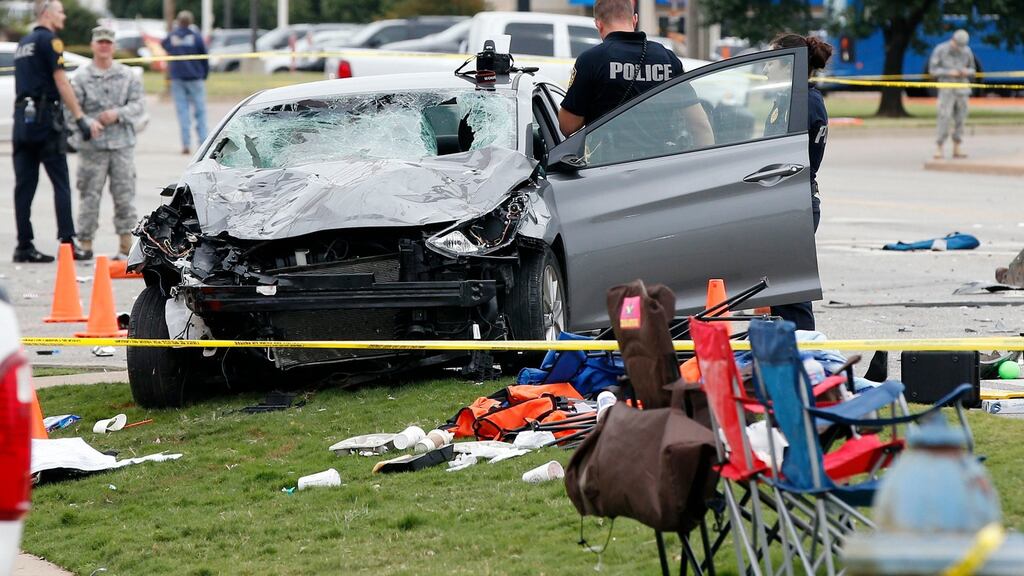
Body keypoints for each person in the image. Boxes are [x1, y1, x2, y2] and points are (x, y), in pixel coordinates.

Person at [11, 0, 100, 263]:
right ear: (48, 14)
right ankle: (67, 244)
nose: (64, 16)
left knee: (24, 187)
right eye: (61, 11)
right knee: (61, 182)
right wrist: (81, 118)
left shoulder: (23, 43)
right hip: (45, 121)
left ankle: (23, 245)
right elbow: (61, 81)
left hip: (21, 122)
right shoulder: (51, 41)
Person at [557, 0, 713, 145]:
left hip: (605, 168)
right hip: (660, 166)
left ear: (598, 23)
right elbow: (699, 125)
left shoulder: (590, 60)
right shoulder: (667, 58)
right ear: (635, 19)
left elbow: (567, 126)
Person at [765, 33, 833, 331]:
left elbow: (792, 162)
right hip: (787, 201)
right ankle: (792, 357)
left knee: (791, 295)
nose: (765, 67)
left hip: (795, 203)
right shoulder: (793, 100)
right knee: (781, 292)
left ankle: (808, 356)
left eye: (771, 60)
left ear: (788, 63)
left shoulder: (804, 104)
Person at [69, 26, 144, 260]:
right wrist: (89, 123)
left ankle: (125, 246)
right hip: (93, 147)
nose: (104, 46)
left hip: (122, 145)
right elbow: (71, 110)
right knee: (89, 196)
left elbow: (139, 105)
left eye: (108, 43)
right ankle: (85, 243)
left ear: (114, 46)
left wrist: (118, 114)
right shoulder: (81, 77)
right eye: (100, 42)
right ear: (93, 45)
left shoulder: (127, 75)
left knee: (125, 195)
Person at [162, 10, 209, 155]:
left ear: (178, 21)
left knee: (183, 112)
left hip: (178, 78)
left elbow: (164, 44)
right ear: (190, 21)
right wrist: (204, 74)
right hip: (195, 78)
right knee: (200, 112)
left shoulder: (173, 36)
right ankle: (203, 143)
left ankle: (185, 144)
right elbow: (204, 56)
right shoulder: (196, 37)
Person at [929, 30, 974, 159]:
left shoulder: (967, 51)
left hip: (962, 89)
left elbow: (973, 70)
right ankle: (939, 146)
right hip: (946, 89)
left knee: (961, 118)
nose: (960, 49)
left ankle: (957, 147)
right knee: (944, 117)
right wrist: (949, 72)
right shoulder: (941, 50)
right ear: (952, 40)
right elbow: (933, 70)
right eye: (958, 45)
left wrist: (966, 71)